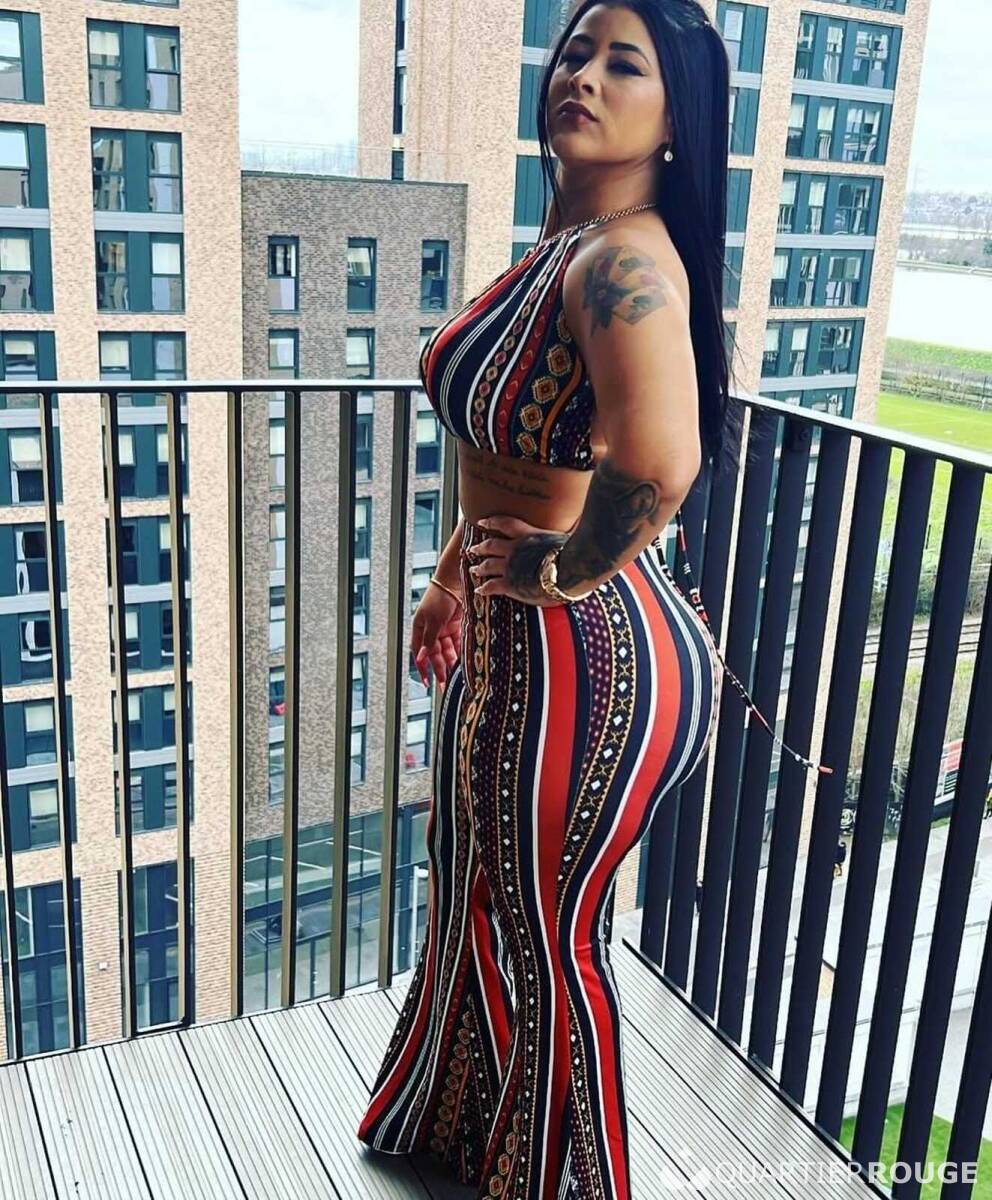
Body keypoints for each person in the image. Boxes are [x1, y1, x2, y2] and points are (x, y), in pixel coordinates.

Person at [357, 3, 829, 1197]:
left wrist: (550, 574)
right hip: (517, 634)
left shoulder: (623, 262)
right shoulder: (564, 245)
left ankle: (561, 1180)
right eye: (573, 52)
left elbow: (658, 467)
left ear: (675, 118)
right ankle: (465, 1123)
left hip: (590, 657)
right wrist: (452, 577)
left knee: (548, 931)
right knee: (470, 878)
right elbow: (513, 449)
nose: (584, 76)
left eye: (625, 64)